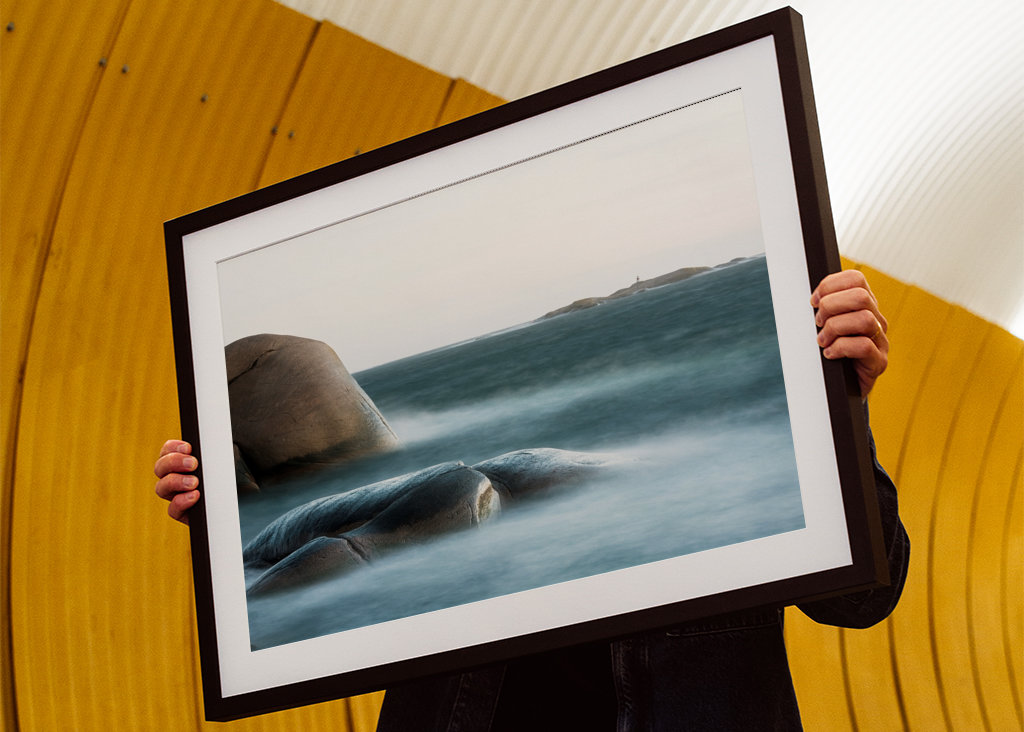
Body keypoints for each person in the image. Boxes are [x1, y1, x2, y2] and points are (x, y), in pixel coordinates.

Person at [155, 270, 909, 730]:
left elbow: (864, 597)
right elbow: (315, 603)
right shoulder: (491, 488)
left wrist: (843, 406)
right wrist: (223, 521)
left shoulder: (757, 438)